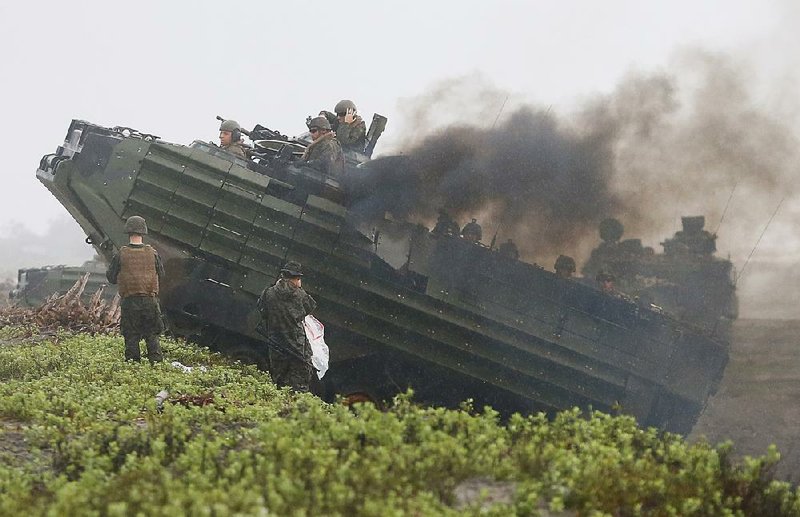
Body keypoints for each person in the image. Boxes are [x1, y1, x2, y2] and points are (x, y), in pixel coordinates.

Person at [106, 216, 165, 363]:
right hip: (150, 300)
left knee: (131, 336)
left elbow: (111, 278)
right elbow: (161, 274)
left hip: (130, 301)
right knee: (152, 336)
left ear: (128, 232)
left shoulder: (121, 253)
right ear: (143, 232)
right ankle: (156, 366)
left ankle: (133, 367)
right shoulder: (153, 253)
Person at [257, 261, 317, 392]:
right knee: (300, 385)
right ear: (296, 279)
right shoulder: (300, 296)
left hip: (276, 344)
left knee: (279, 380)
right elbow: (309, 308)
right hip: (297, 347)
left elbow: (262, 311)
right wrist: (300, 290)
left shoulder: (268, 293)